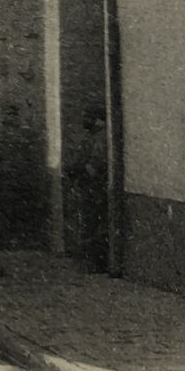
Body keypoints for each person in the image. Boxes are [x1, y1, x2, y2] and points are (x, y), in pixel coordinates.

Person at [64, 106, 109, 273]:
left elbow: (94, 165)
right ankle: (91, 262)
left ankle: (95, 263)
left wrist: (77, 169)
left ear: (96, 119)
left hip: (95, 187)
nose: (84, 121)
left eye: (87, 117)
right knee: (89, 224)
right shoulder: (92, 137)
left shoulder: (100, 138)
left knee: (93, 224)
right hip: (88, 187)